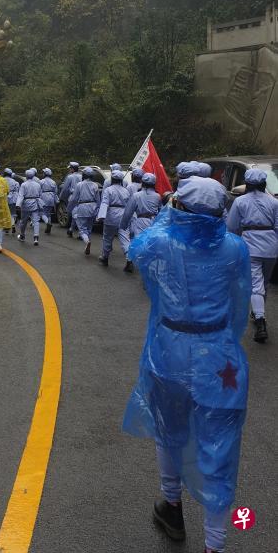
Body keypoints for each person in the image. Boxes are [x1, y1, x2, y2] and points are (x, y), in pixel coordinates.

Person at [123, 176, 251, 553]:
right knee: (220, 445)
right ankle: (215, 543)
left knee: (169, 427)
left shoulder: (159, 242)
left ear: (178, 205)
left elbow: (137, 252)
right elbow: (240, 303)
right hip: (219, 356)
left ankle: (171, 504)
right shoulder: (235, 248)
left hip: (169, 350)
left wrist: (169, 210)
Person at [226, 168, 278, 343]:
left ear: (247, 184)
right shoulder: (274, 202)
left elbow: (232, 227)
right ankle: (257, 313)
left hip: (251, 246)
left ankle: (261, 320)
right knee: (263, 282)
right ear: (264, 184)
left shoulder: (240, 202)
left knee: (255, 284)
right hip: (271, 247)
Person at [119, 172, 161, 273]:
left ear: (142, 182)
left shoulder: (136, 195)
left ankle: (131, 260)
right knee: (150, 244)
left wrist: (123, 225)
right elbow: (161, 210)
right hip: (153, 222)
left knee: (136, 242)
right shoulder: (158, 196)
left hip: (139, 221)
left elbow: (128, 212)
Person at [98, 169, 131, 265]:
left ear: (112, 179)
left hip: (111, 216)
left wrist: (101, 216)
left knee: (107, 237)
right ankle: (129, 257)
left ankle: (105, 257)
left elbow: (104, 203)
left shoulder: (108, 190)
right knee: (125, 238)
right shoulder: (126, 191)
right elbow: (129, 205)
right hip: (123, 215)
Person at [68, 167, 100, 255]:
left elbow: (74, 199)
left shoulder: (79, 185)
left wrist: (69, 208)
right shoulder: (95, 185)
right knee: (89, 228)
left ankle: (87, 241)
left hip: (82, 207)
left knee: (82, 228)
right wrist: (98, 211)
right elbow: (98, 200)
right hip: (93, 208)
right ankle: (87, 244)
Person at [16, 169, 42, 245]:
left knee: (23, 221)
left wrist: (18, 205)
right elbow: (40, 195)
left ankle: (22, 235)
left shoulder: (24, 184)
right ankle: (36, 237)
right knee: (36, 221)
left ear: (26, 176)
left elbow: (21, 195)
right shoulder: (37, 184)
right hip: (35, 204)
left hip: (26, 205)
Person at [59, 162, 82, 237]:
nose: (69, 170)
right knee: (75, 213)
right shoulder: (81, 176)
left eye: (70, 168)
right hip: (81, 197)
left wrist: (61, 197)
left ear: (72, 169)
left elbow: (65, 188)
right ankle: (71, 229)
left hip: (72, 197)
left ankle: (80, 232)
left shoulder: (70, 177)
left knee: (74, 214)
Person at [40, 168, 58, 234]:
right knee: (49, 213)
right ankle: (48, 227)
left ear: (45, 174)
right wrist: (56, 200)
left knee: (43, 213)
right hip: (51, 197)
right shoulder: (53, 182)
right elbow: (56, 191)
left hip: (44, 197)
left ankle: (48, 222)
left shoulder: (41, 181)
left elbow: (39, 190)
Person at [3, 168, 19, 233]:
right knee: (12, 213)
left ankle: (6, 227)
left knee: (5, 213)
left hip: (4, 197)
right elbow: (17, 190)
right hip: (13, 198)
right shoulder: (14, 181)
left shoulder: (2, 180)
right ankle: (12, 224)